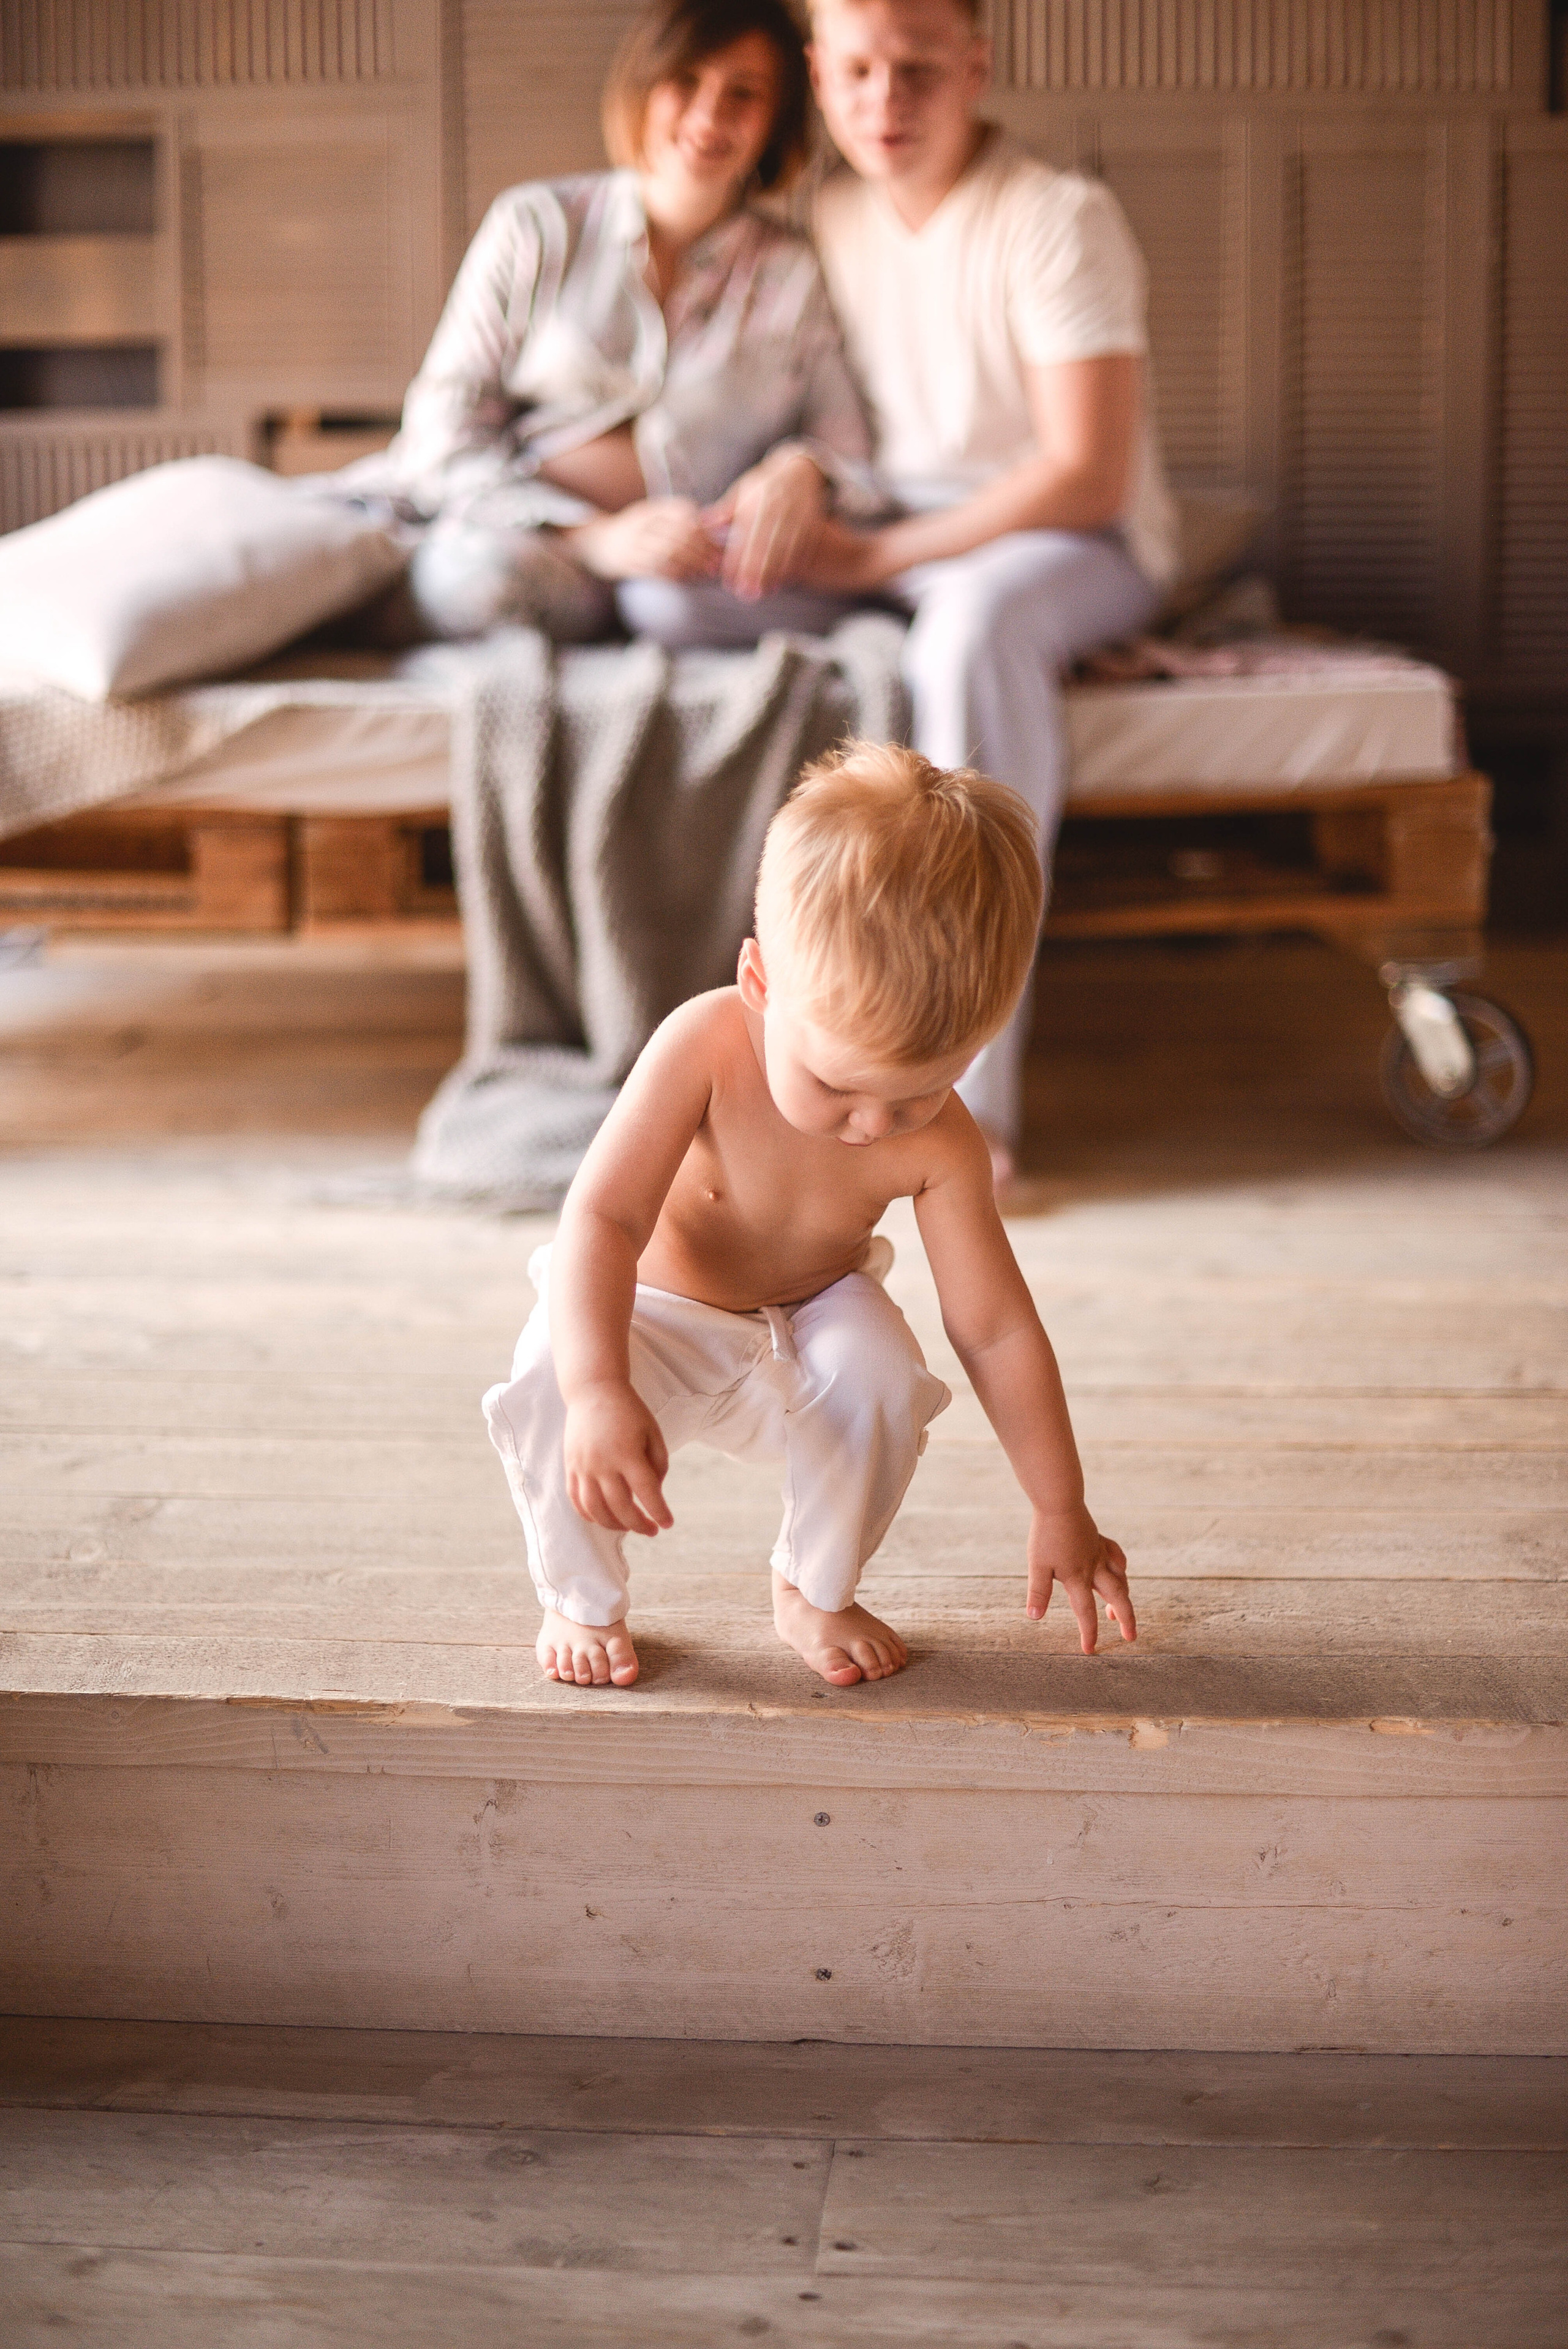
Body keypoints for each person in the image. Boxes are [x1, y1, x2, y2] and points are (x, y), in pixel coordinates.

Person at [630, 0, 1181, 1175]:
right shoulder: (823, 216)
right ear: (821, 77)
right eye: (861, 71)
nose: (888, 101)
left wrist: (886, 559)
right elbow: (809, 421)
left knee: (975, 628)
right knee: (676, 595)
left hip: (1061, 544)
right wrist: (796, 491)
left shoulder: (1055, 217)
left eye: (921, 71)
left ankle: (981, 1109)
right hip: (897, 538)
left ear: (976, 67)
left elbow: (1087, 472)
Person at [482, 742, 1136, 1689]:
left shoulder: (942, 1142)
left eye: (919, 1093)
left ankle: (814, 1584)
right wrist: (595, 1389)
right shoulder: (702, 1044)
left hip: (803, 1323)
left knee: (883, 1368)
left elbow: (993, 1328)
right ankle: (580, 1598)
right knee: (546, 1369)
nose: (874, 1126)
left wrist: (1060, 1503)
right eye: (837, 1083)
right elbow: (602, 1222)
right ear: (760, 982)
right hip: (654, 1317)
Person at [342, 0, 876, 644]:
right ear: (644, 88)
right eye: (686, 82)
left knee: (676, 609)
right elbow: (440, 432)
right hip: (526, 536)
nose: (710, 115)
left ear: (778, 120)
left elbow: (850, 453)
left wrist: (802, 470)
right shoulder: (536, 225)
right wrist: (593, 538)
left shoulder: (793, 272)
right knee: (471, 581)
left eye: (745, 94)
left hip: (689, 571)